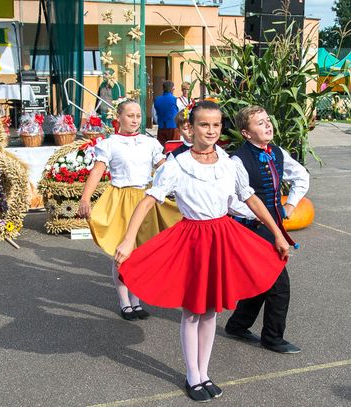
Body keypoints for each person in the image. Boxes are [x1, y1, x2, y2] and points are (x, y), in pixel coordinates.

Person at [114, 100, 289, 402]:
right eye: (204, 125)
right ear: (190, 128)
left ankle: (204, 371)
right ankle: (192, 375)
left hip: (222, 236)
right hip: (192, 239)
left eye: (216, 125)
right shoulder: (177, 165)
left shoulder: (229, 162)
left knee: (210, 310)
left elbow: (250, 200)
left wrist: (277, 234)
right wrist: (129, 240)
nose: (210, 130)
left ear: (222, 128)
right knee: (193, 311)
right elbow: (147, 201)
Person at [78, 99, 182, 321]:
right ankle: (124, 302)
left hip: (145, 198)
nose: (135, 120)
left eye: (138, 116)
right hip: (120, 198)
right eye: (130, 115)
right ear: (119, 117)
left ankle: (136, 301)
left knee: (142, 252)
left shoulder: (149, 142)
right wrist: (85, 198)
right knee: (122, 253)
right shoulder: (110, 143)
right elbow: (97, 172)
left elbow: (164, 168)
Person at [224, 105, 309, 354]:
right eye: (259, 123)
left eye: (267, 120)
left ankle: (238, 325)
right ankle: (272, 337)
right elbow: (233, 200)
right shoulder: (237, 161)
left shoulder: (278, 153)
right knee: (278, 284)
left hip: (274, 226)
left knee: (264, 280)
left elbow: (301, 176)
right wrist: (258, 216)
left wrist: (290, 205)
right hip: (252, 228)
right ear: (246, 133)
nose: (267, 125)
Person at [154, 81, 179, 146]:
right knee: (174, 147)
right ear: (172, 89)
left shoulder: (157, 99)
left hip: (161, 126)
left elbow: (154, 113)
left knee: (162, 148)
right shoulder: (175, 99)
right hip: (173, 127)